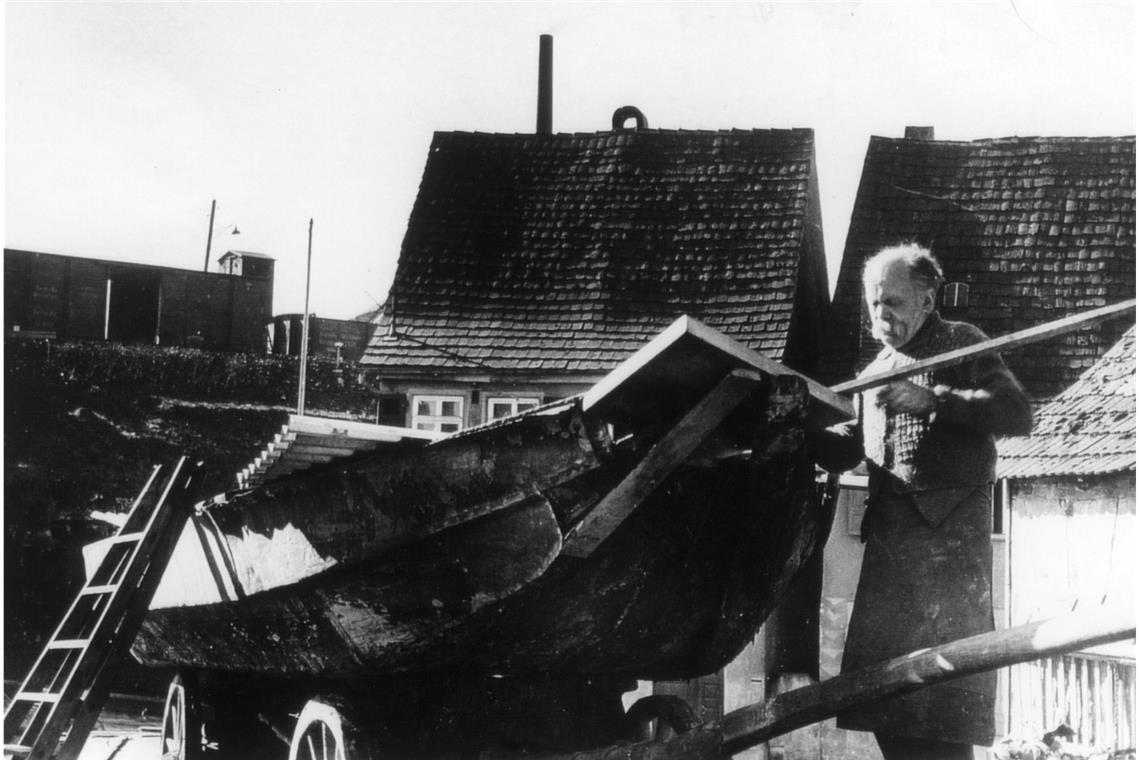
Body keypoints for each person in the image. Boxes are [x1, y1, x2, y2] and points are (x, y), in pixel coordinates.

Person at [813, 243, 1034, 760]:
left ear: (928, 299)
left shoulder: (962, 343)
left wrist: (935, 400)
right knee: (886, 701)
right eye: (873, 304)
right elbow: (853, 447)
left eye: (892, 302)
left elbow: (1017, 412)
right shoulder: (875, 371)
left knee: (945, 704)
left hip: (950, 550)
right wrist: (805, 432)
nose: (881, 314)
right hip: (891, 550)